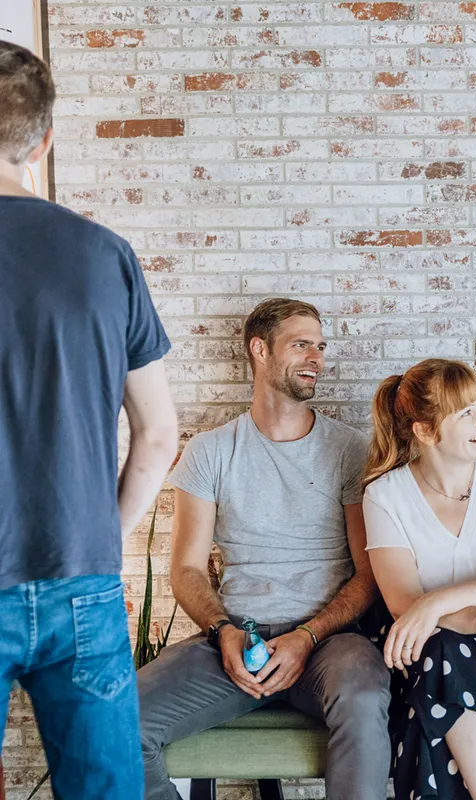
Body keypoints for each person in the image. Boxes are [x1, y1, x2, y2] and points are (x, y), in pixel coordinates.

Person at [0, 41, 178, 799]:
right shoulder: (106, 255)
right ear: (43, 141)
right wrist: (101, 540)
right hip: (83, 581)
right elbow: (159, 436)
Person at [137, 299, 391, 800]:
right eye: (301, 345)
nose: (316, 358)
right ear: (260, 350)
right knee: (115, 724)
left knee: (363, 701)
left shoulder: (349, 449)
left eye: (320, 346)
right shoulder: (210, 451)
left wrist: (307, 637)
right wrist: (224, 631)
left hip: (330, 642)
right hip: (234, 642)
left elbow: (369, 573)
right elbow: (187, 569)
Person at [362, 359, 476, 800]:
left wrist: (434, 603)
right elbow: (403, 606)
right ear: (426, 431)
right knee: (443, 652)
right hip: (427, 647)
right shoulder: (385, 496)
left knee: (431, 702)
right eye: (467, 412)